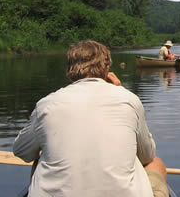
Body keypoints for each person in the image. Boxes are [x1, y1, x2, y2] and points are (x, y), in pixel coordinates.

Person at [13, 40, 168, 197]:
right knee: (156, 163)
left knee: (39, 156)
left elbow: (21, 152)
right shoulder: (129, 99)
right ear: (107, 69)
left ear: (69, 70)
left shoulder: (46, 105)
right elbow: (147, 156)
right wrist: (119, 90)